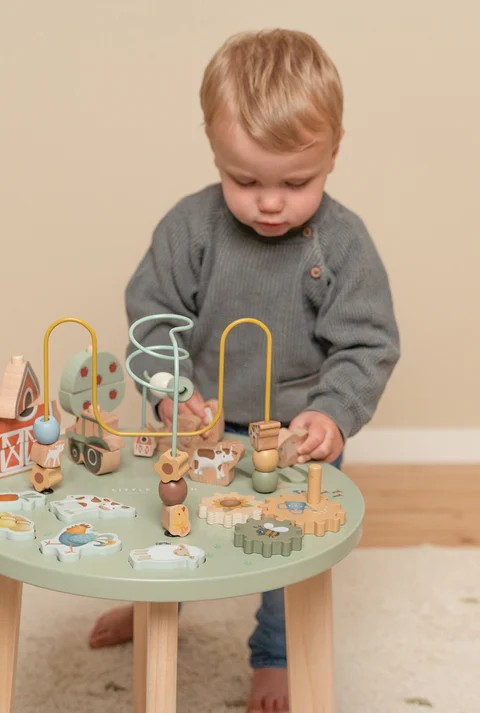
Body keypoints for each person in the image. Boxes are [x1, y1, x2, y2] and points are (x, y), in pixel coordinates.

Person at [89, 28, 400, 712]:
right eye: (245, 180)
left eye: (296, 182)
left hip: (290, 436)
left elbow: (367, 344)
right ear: (214, 149)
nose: (269, 202)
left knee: (289, 553)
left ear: (333, 152)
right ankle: (152, 606)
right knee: (162, 518)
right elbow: (153, 321)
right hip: (196, 423)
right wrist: (169, 393)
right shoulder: (190, 228)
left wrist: (332, 414)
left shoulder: (341, 243)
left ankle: (277, 654)